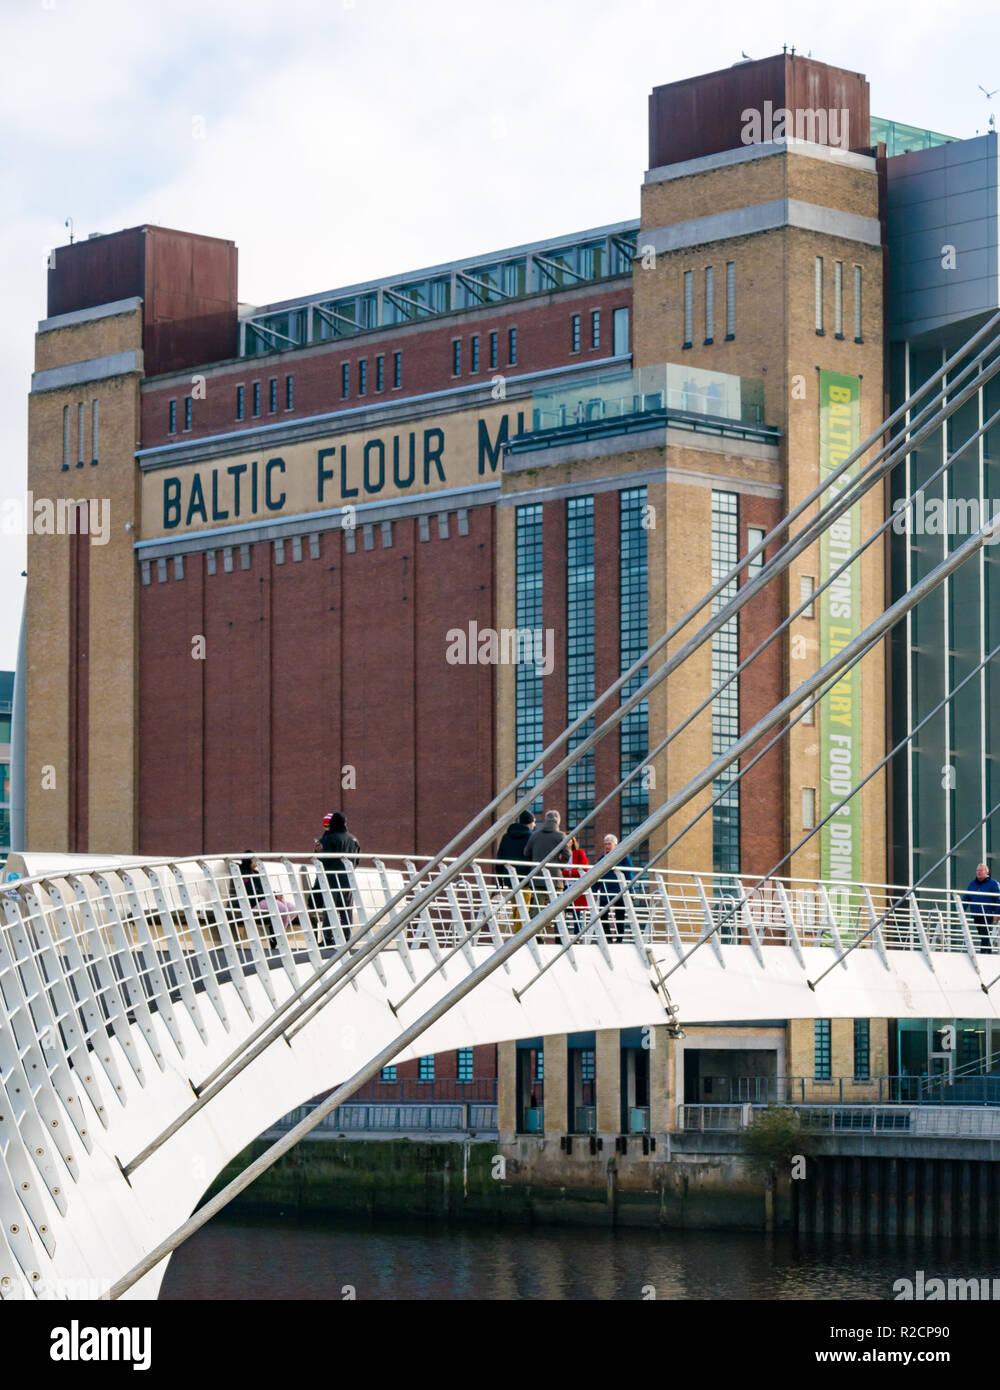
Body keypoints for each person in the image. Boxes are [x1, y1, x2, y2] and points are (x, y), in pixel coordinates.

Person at [317, 812, 361, 946]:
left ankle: (327, 938)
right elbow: (357, 861)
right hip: (348, 879)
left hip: (331, 878)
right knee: (346, 908)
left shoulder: (329, 839)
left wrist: (318, 851)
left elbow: (322, 859)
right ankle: (346, 937)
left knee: (330, 908)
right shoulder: (354, 840)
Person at [524, 810, 569, 924]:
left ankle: (536, 936)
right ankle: (560, 935)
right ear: (558, 822)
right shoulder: (560, 836)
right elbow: (567, 855)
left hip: (538, 876)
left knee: (536, 907)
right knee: (558, 907)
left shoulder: (535, 835)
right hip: (555, 877)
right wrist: (559, 866)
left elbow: (526, 853)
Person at [597, 833, 634, 942]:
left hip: (620, 891)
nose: (607, 846)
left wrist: (631, 891)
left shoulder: (624, 858)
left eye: (609, 844)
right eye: (605, 844)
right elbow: (596, 875)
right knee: (602, 915)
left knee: (620, 916)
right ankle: (608, 938)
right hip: (605, 890)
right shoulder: (602, 859)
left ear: (616, 845)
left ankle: (619, 939)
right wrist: (594, 890)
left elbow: (629, 876)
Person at [962, 862, 1000, 953]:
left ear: (987, 872)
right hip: (976, 914)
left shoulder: (993, 883)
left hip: (987, 914)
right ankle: (988, 953)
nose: (978, 872)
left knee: (984, 934)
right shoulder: (972, 884)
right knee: (983, 935)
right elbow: (966, 897)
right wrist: (961, 910)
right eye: (977, 870)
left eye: (981, 871)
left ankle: (983, 953)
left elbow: (998, 898)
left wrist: (998, 913)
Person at [563, 835, 591, 932]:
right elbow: (559, 871)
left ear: (573, 841)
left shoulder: (579, 853)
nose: (567, 842)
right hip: (565, 885)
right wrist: (569, 873)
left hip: (576, 885)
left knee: (576, 912)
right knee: (563, 910)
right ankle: (564, 933)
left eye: (569, 839)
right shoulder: (561, 855)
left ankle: (577, 935)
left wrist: (570, 873)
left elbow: (584, 869)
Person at [496, 810, 535, 877]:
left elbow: (500, 857)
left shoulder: (506, 837)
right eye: (534, 822)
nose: (535, 824)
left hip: (508, 877)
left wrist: (500, 877)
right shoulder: (531, 837)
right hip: (526, 879)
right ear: (529, 822)